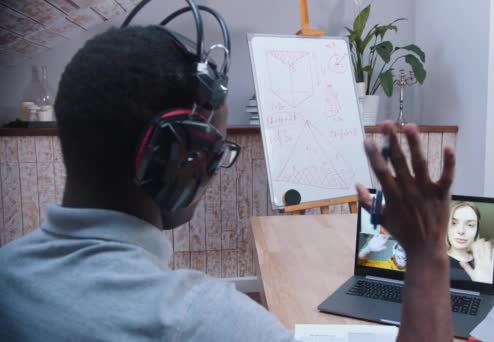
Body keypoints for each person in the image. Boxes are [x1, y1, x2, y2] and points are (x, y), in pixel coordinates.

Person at [0, 25, 456, 342]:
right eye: (215, 151)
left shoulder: (9, 273)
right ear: (183, 158)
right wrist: (429, 253)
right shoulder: (200, 321)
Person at [447, 202, 494, 283]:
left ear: (476, 230)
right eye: (453, 223)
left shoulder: (485, 263)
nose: (461, 231)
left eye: (470, 225)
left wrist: (485, 284)